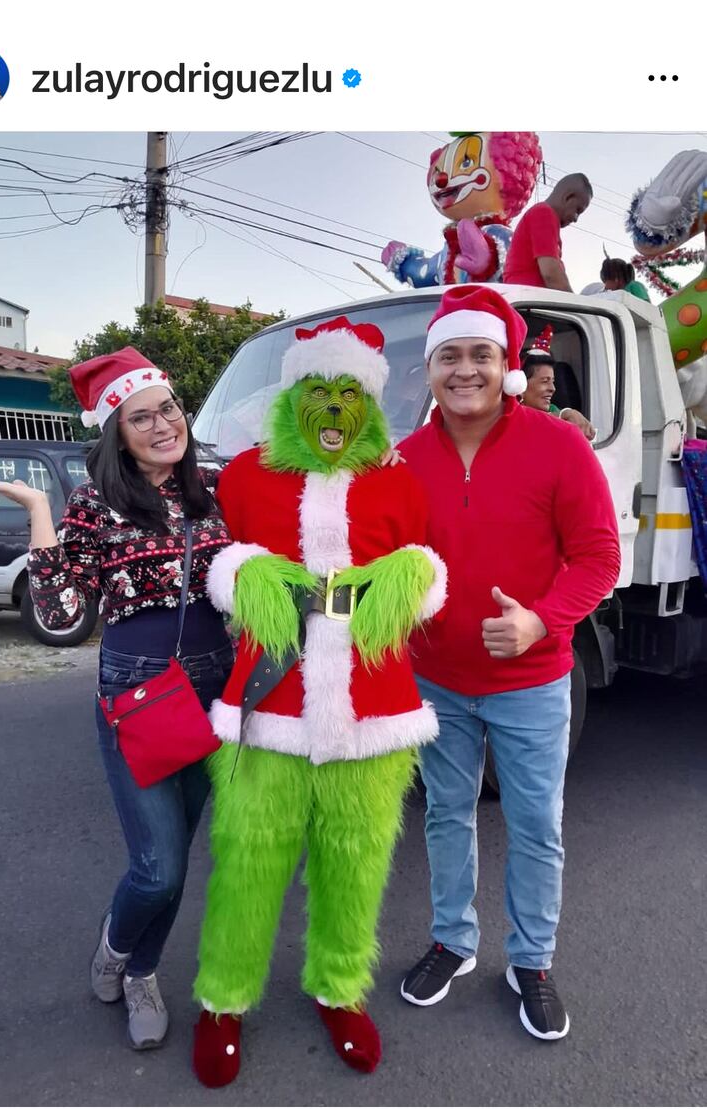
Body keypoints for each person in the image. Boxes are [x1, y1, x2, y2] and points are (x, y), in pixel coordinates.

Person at [190, 317, 447, 1087]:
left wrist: (408, 577)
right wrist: (246, 575)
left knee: (355, 866)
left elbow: (429, 569)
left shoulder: (399, 479)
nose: (333, 408)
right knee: (247, 863)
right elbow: (215, 563)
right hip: (267, 706)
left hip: (373, 715)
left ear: (368, 404)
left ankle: (339, 987)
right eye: (318, 390)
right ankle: (223, 999)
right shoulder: (243, 476)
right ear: (291, 396)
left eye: (348, 393)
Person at [0, 347, 235, 1051]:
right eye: (141, 418)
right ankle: (117, 948)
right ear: (117, 433)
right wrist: (40, 513)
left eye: (168, 409)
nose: (162, 425)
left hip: (213, 687)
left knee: (178, 859)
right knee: (158, 867)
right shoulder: (96, 502)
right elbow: (59, 614)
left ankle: (143, 972)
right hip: (137, 692)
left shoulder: (214, 488)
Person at [397, 285, 620, 1041]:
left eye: (481, 355)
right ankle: (453, 941)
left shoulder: (559, 445)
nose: (465, 370)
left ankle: (532, 962)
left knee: (534, 826)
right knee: (445, 816)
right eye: (449, 356)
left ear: (507, 366)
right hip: (436, 679)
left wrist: (539, 621)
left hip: (532, 680)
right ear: (430, 369)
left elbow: (598, 557)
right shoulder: (404, 459)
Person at [503, 174, 593, 291]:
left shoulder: (544, 215)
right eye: (578, 210)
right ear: (568, 197)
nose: (576, 219)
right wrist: (574, 301)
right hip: (526, 297)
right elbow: (551, 273)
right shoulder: (544, 213)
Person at [521, 325, 597, 440]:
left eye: (553, 381)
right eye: (545, 381)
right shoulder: (503, 413)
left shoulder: (552, 409)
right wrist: (564, 415)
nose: (553, 388)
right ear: (521, 384)